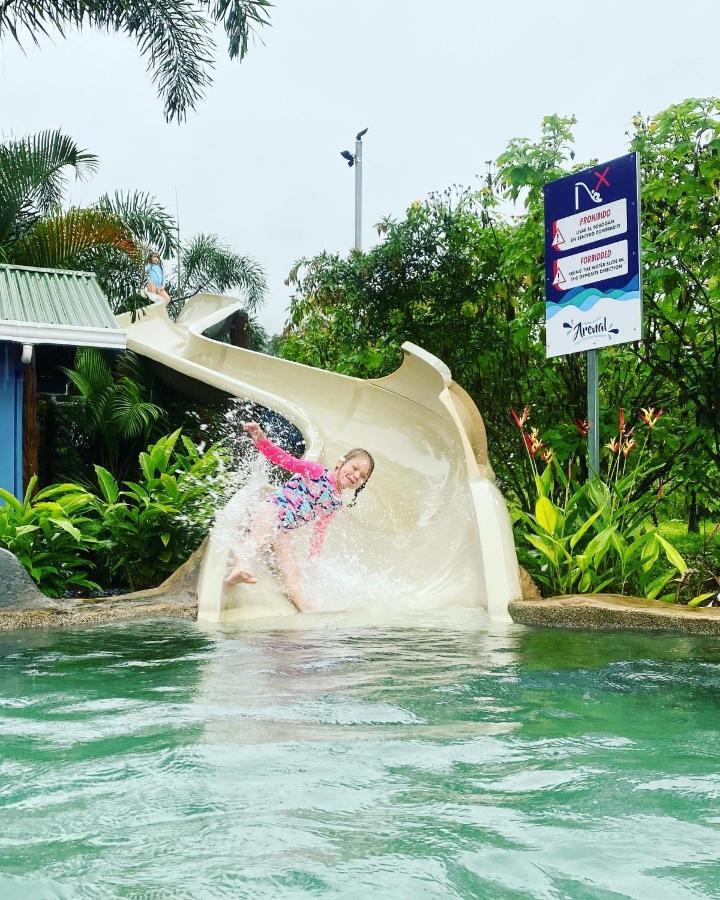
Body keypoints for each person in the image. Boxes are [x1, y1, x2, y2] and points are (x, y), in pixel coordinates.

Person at [224, 422, 375, 612]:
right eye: (354, 468)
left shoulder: (335, 503)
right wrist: (262, 441)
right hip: (272, 509)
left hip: (284, 530)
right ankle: (240, 566)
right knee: (260, 534)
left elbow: (320, 530)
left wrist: (313, 558)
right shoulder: (316, 472)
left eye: (362, 476)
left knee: (290, 567)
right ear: (341, 462)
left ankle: (303, 605)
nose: (355, 476)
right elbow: (285, 460)